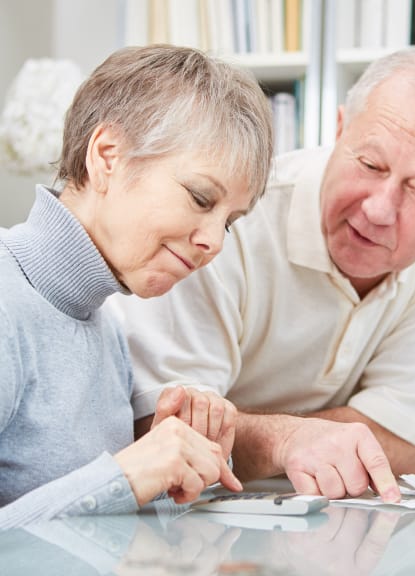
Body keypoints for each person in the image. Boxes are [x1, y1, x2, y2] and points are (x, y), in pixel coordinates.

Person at [108, 48, 415, 501]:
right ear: (339, 132)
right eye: (370, 165)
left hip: (314, 518)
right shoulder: (227, 220)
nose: (378, 210)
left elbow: (407, 442)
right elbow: (167, 431)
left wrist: (258, 433)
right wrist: (285, 440)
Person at [0, 44, 275, 529]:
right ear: (108, 156)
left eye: (229, 222)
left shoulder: (104, 321)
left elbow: (96, 528)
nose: (213, 243)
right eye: (199, 197)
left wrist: (185, 471)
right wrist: (125, 475)